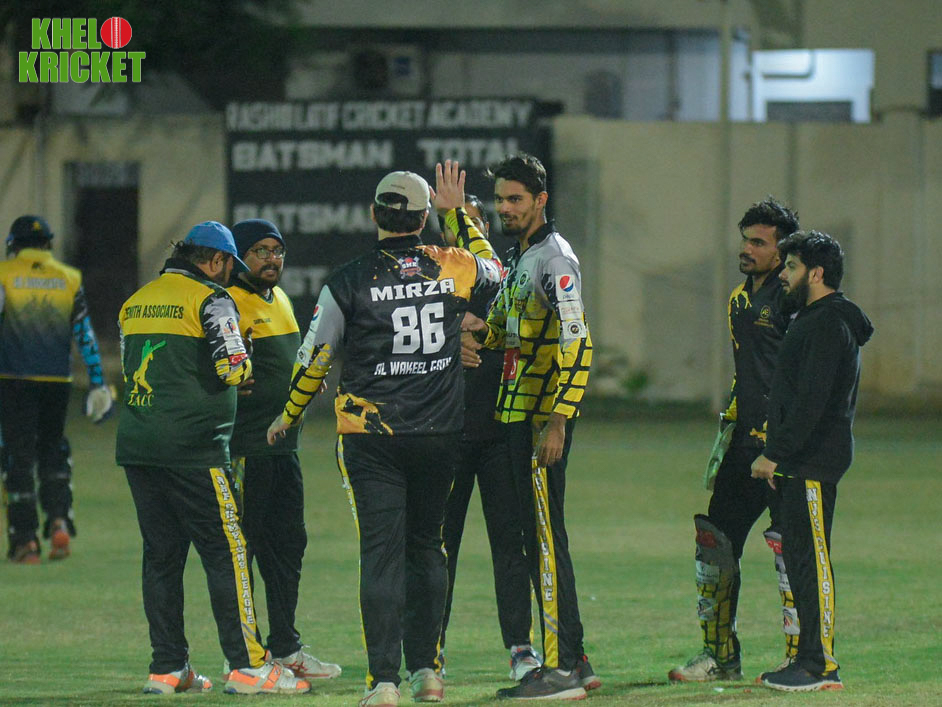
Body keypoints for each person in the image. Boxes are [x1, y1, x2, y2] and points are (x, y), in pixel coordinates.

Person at [267, 163, 501, 707]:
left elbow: (315, 356)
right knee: (428, 548)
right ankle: (428, 673)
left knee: (381, 553)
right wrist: (457, 218)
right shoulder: (455, 265)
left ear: (373, 214)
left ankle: (384, 681)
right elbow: (496, 269)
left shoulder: (348, 280)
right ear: (423, 217)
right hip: (439, 432)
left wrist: (290, 414)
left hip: (370, 437)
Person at [116, 221, 311, 695]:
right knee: (229, 553)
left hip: (139, 447)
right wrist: (244, 364)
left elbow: (129, 366)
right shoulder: (212, 299)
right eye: (229, 265)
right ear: (218, 260)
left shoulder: (136, 301)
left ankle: (168, 668)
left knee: (161, 558)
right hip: (195, 449)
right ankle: (248, 666)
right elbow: (234, 368)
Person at [463, 153, 598, 701]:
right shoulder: (523, 256)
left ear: (541, 200)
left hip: (542, 419)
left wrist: (558, 422)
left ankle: (560, 670)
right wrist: (480, 330)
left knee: (543, 540)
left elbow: (577, 342)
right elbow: (510, 331)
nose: (505, 208)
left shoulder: (554, 259)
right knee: (541, 537)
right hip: (519, 417)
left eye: (515, 199)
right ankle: (577, 659)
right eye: (500, 199)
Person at [669, 198, 802, 682]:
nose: (746, 249)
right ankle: (720, 657)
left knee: (792, 553)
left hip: (786, 451)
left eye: (758, 242)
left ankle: (801, 659)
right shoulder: (739, 299)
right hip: (744, 447)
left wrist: (784, 441)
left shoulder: (795, 302)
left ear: (782, 251)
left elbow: (802, 380)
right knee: (714, 544)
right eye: (745, 239)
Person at [752, 230, 872, 692]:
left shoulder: (828, 323)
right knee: (801, 560)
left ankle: (820, 666)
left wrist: (774, 454)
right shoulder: (814, 318)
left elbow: (812, 402)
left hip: (813, 460)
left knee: (813, 560)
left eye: (792, 267)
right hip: (800, 461)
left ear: (816, 273)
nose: (783, 275)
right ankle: (805, 660)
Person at [226, 218, 341, 681]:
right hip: (247, 447)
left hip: (283, 449)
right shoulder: (226, 303)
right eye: (260, 251)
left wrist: (303, 383)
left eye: (277, 251)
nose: (272, 259)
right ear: (238, 257)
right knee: (245, 552)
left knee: (289, 547)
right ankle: (245, 656)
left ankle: (286, 648)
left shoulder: (282, 300)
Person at [437, 196, 540, 682]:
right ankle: (429, 652)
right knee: (438, 548)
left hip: (500, 434)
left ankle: (521, 648)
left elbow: (530, 334)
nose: (466, 233)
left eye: (475, 224)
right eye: (457, 224)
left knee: (511, 545)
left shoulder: (505, 281)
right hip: (444, 437)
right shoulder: (427, 285)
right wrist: (446, 338)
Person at [0, 215, 113, 563]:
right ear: (48, 243)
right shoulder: (68, 278)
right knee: (53, 449)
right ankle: (60, 519)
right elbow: (85, 335)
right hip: (57, 383)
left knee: (17, 457)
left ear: (13, 245)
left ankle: (26, 541)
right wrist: (97, 382)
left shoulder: (4, 275)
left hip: (14, 381)